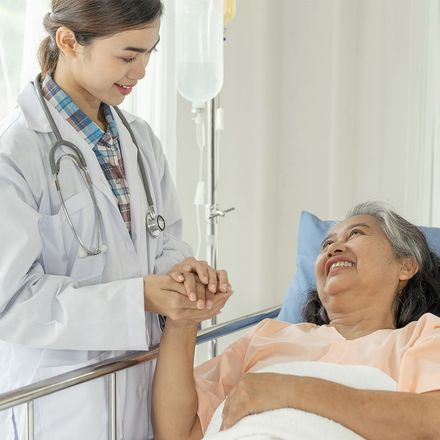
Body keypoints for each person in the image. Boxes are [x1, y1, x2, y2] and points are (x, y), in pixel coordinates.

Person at [0, 1, 231, 439]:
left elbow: (163, 242)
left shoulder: (139, 140)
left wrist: (182, 276)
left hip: (140, 386)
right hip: (60, 406)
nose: (140, 71)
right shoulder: (16, 153)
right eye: (127, 55)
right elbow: (10, 302)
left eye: (150, 53)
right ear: (69, 41)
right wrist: (137, 298)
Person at [153, 201, 440, 439]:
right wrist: (182, 321)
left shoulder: (422, 337)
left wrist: (290, 390)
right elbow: (177, 433)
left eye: (356, 234)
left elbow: (431, 421)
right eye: (327, 243)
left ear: (406, 265)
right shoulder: (267, 337)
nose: (333, 248)